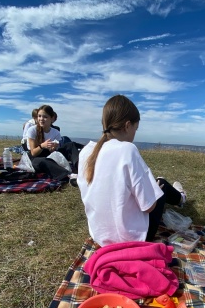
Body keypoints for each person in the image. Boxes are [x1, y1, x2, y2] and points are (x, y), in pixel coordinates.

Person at [76, 95, 187, 246]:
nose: (135, 133)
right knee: (161, 185)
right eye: (136, 128)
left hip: (99, 236)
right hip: (132, 240)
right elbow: (149, 207)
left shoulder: (85, 152)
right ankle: (181, 198)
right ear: (127, 126)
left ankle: (180, 197)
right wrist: (153, 191)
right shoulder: (127, 150)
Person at [26, 105, 82, 181]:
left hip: (49, 155)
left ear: (52, 119)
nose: (41, 119)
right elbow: (33, 153)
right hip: (36, 158)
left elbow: (54, 152)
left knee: (70, 145)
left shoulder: (56, 132)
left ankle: (80, 167)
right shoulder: (32, 130)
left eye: (45, 117)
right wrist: (42, 146)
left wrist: (53, 149)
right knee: (43, 161)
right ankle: (69, 175)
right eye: (39, 116)